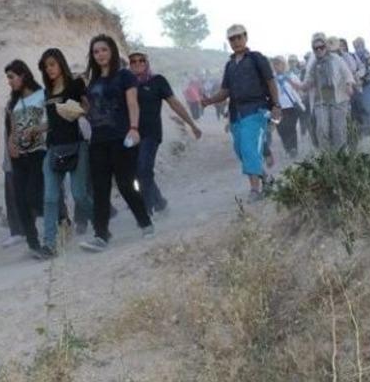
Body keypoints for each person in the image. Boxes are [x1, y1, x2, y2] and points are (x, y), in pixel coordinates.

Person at [79, 34, 154, 252]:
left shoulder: (125, 76)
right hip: (98, 141)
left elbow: (133, 103)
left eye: (103, 49)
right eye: (95, 51)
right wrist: (79, 111)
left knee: (125, 184)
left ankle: (145, 222)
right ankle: (101, 235)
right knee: (100, 189)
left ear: (112, 51)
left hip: (122, 137)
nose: (100, 54)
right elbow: (92, 109)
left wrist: (134, 128)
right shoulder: (92, 82)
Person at [200, 24, 282, 201]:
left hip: (257, 110)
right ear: (229, 42)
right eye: (232, 39)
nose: (236, 41)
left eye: (239, 37)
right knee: (240, 151)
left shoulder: (257, 58)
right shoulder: (230, 65)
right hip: (236, 113)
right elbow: (225, 91)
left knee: (248, 147)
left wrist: (276, 105)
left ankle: (255, 190)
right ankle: (265, 178)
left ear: (246, 37)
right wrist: (209, 101)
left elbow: (270, 82)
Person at [128, 50, 202, 215]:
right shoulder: (126, 83)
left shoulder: (157, 81)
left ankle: (147, 212)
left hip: (151, 134)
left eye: (141, 60)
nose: (137, 63)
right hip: (132, 135)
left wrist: (192, 124)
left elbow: (174, 104)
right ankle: (160, 202)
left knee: (143, 170)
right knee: (140, 172)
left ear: (147, 63)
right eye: (133, 61)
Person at [37, 48, 94, 256]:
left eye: (52, 64)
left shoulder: (76, 85)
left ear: (60, 63)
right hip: (53, 148)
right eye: (46, 66)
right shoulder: (46, 92)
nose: (49, 69)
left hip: (77, 145)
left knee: (79, 195)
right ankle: (49, 244)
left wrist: (78, 111)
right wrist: (36, 129)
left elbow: (89, 109)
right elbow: (51, 122)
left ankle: (101, 225)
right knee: (50, 197)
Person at [4, 59, 48, 259]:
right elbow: (12, 128)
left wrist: (35, 130)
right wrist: (11, 144)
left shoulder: (42, 95)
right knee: (20, 200)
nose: (9, 82)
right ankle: (33, 244)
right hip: (19, 156)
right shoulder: (13, 103)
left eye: (12, 77)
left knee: (33, 195)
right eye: (8, 78)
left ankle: (60, 220)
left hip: (39, 151)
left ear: (23, 75)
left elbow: (52, 121)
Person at [301, 34, 356, 150]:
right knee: (322, 129)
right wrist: (303, 85)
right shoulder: (312, 62)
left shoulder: (336, 59)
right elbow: (307, 80)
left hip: (338, 99)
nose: (319, 50)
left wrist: (349, 85)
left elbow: (347, 74)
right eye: (316, 48)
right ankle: (326, 157)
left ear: (326, 46)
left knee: (338, 129)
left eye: (321, 47)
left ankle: (340, 156)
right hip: (320, 101)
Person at [271, 56, 304, 158]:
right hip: (278, 109)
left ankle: (293, 148)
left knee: (291, 128)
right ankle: (287, 147)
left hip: (291, 106)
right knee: (281, 129)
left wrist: (289, 81)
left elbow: (300, 87)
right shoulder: (271, 78)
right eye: (275, 64)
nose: (277, 66)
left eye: (279, 64)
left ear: (284, 65)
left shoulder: (291, 76)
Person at [352, 37, 370, 135]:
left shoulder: (361, 53)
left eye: (356, 44)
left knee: (368, 110)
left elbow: (363, 71)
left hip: (368, 84)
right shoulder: (365, 53)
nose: (355, 46)